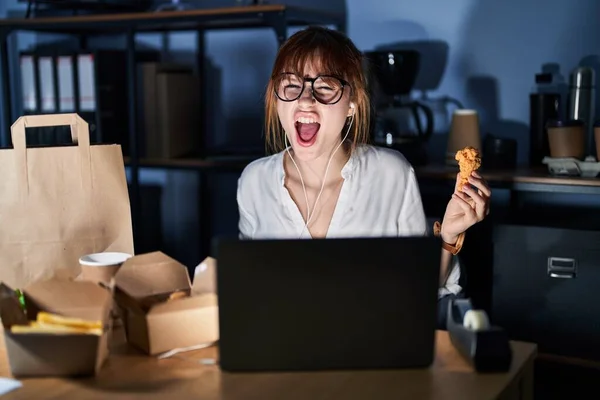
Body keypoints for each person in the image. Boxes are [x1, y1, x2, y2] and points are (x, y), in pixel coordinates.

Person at [236, 26, 491, 329]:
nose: (305, 100)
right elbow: (249, 293)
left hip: (373, 353)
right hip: (285, 353)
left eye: (325, 86)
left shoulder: (391, 173)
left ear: (352, 105)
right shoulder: (254, 182)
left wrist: (448, 236)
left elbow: (417, 291)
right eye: (291, 86)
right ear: (276, 99)